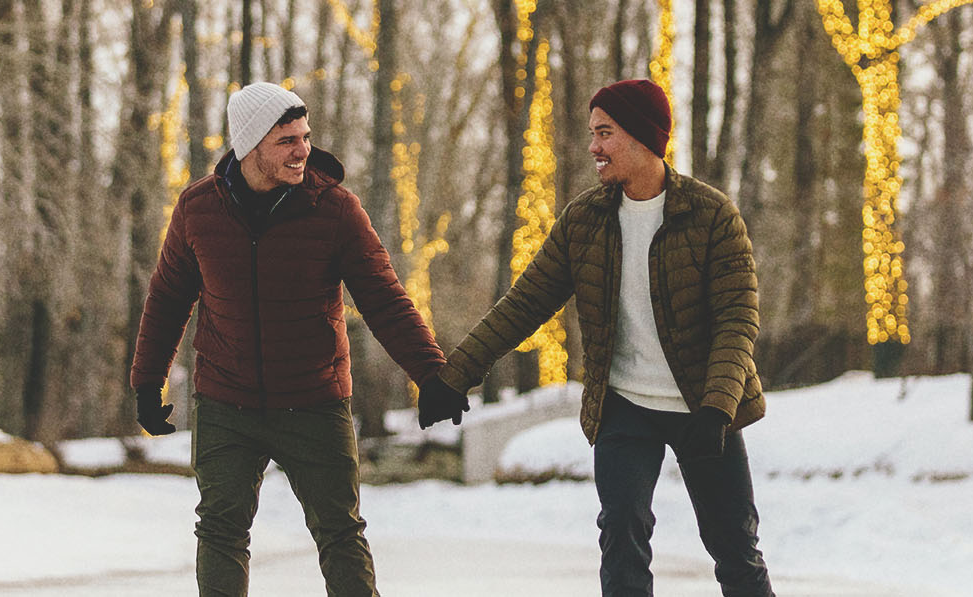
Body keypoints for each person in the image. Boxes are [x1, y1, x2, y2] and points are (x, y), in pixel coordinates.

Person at [417, 79, 773, 597]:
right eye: (591, 134)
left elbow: (738, 319)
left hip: (704, 407)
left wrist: (718, 408)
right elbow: (525, 302)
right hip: (624, 407)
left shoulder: (712, 216)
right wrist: (455, 376)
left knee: (734, 548)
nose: (593, 148)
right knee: (622, 545)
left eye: (604, 133)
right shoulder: (585, 220)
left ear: (642, 137)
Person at [129, 81, 451, 597]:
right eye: (287, 140)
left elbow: (383, 296)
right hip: (226, 401)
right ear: (250, 144)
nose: (303, 150)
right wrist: (148, 383)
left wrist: (432, 374)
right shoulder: (198, 209)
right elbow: (168, 297)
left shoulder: (335, 209)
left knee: (340, 532)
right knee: (220, 530)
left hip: (314, 400)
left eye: (305, 136)